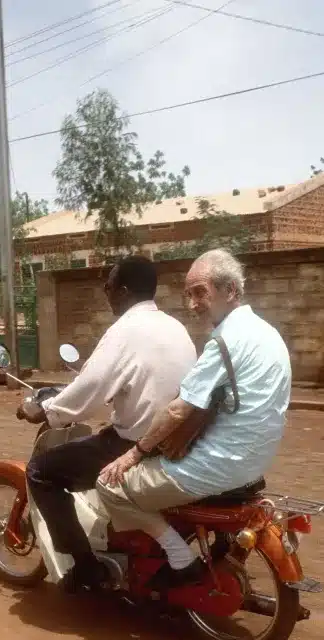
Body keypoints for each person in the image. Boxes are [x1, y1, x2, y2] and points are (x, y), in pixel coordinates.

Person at [97, 248, 292, 591]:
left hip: (215, 467)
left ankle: (178, 556)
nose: (192, 304)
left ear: (230, 291)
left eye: (200, 292)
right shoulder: (268, 333)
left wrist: (133, 453)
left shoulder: (227, 341)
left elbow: (178, 410)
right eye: (188, 294)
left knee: (109, 485)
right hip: (254, 462)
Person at [18, 255, 196, 593]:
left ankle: (86, 569)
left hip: (134, 445)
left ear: (124, 291)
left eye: (109, 286)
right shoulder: (175, 327)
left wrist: (46, 411)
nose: (106, 292)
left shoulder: (125, 330)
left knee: (41, 471)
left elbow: (90, 391)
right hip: (177, 441)